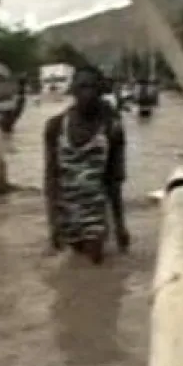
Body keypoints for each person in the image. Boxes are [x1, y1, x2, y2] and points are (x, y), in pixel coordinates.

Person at [44, 66, 130, 264]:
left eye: (93, 87)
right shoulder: (55, 126)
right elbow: (51, 176)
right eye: (82, 87)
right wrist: (53, 223)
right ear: (73, 90)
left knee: (94, 261)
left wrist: (120, 226)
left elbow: (114, 180)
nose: (88, 94)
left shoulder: (111, 128)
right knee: (72, 269)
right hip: (65, 210)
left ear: (101, 91)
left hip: (96, 211)